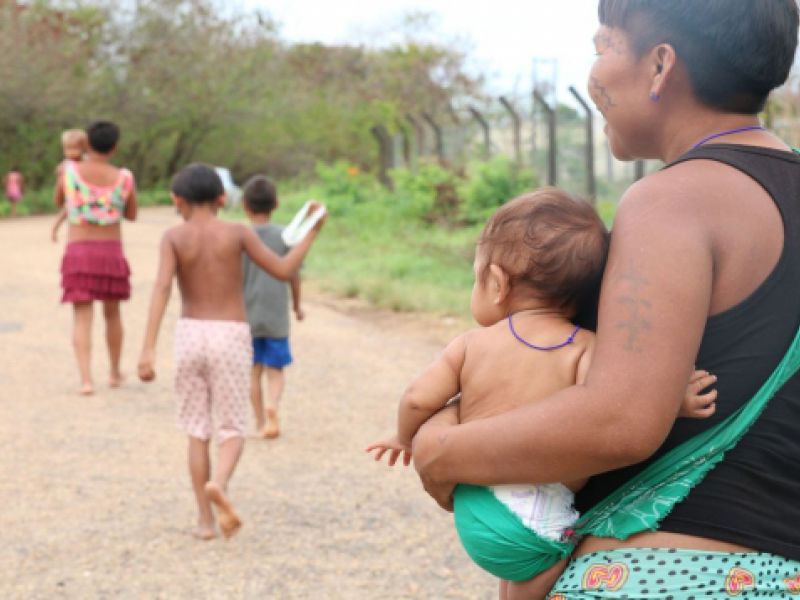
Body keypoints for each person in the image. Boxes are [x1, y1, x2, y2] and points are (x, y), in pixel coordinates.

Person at [411, 1, 800, 598]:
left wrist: (440, 450)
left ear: (660, 65)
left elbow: (621, 420)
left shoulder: (670, 200)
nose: (594, 72)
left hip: (667, 576)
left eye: (603, 47)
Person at [367, 190, 718, 600]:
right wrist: (674, 403)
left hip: (476, 501)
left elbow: (417, 398)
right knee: (548, 560)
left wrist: (404, 437)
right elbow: (619, 405)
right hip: (537, 513)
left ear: (497, 284)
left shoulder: (470, 345)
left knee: (520, 562)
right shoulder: (585, 348)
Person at [136, 163, 324, 541]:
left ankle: (205, 522)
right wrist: (311, 232)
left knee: (196, 431)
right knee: (232, 428)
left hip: (190, 334)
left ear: (176, 200)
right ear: (222, 199)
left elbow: (162, 288)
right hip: (231, 335)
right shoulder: (238, 233)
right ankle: (219, 483)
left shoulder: (173, 237)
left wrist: (147, 349)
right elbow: (283, 269)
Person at [54, 120, 137, 395]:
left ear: (87, 144)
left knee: (82, 317)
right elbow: (132, 214)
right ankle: (114, 372)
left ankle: (86, 380)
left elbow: (59, 201)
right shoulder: (124, 177)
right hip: (111, 252)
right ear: (115, 147)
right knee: (113, 314)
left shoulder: (69, 172)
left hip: (79, 252)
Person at [241, 175, 304, 439]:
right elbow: (293, 275)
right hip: (276, 316)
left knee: (252, 372)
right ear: (276, 204)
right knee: (275, 370)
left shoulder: (240, 237)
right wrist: (297, 306)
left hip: (246, 317)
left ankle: (259, 422)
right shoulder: (284, 237)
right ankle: (273, 406)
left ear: (245, 206)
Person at [52, 129, 88, 243]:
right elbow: (59, 173)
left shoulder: (86, 162)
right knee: (65, 211)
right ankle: (54, 229)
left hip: (86, 195)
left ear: (84, 149)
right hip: (72, 195)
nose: (71, 152)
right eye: (67, 149)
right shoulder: (66, 164)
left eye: (75, 149)